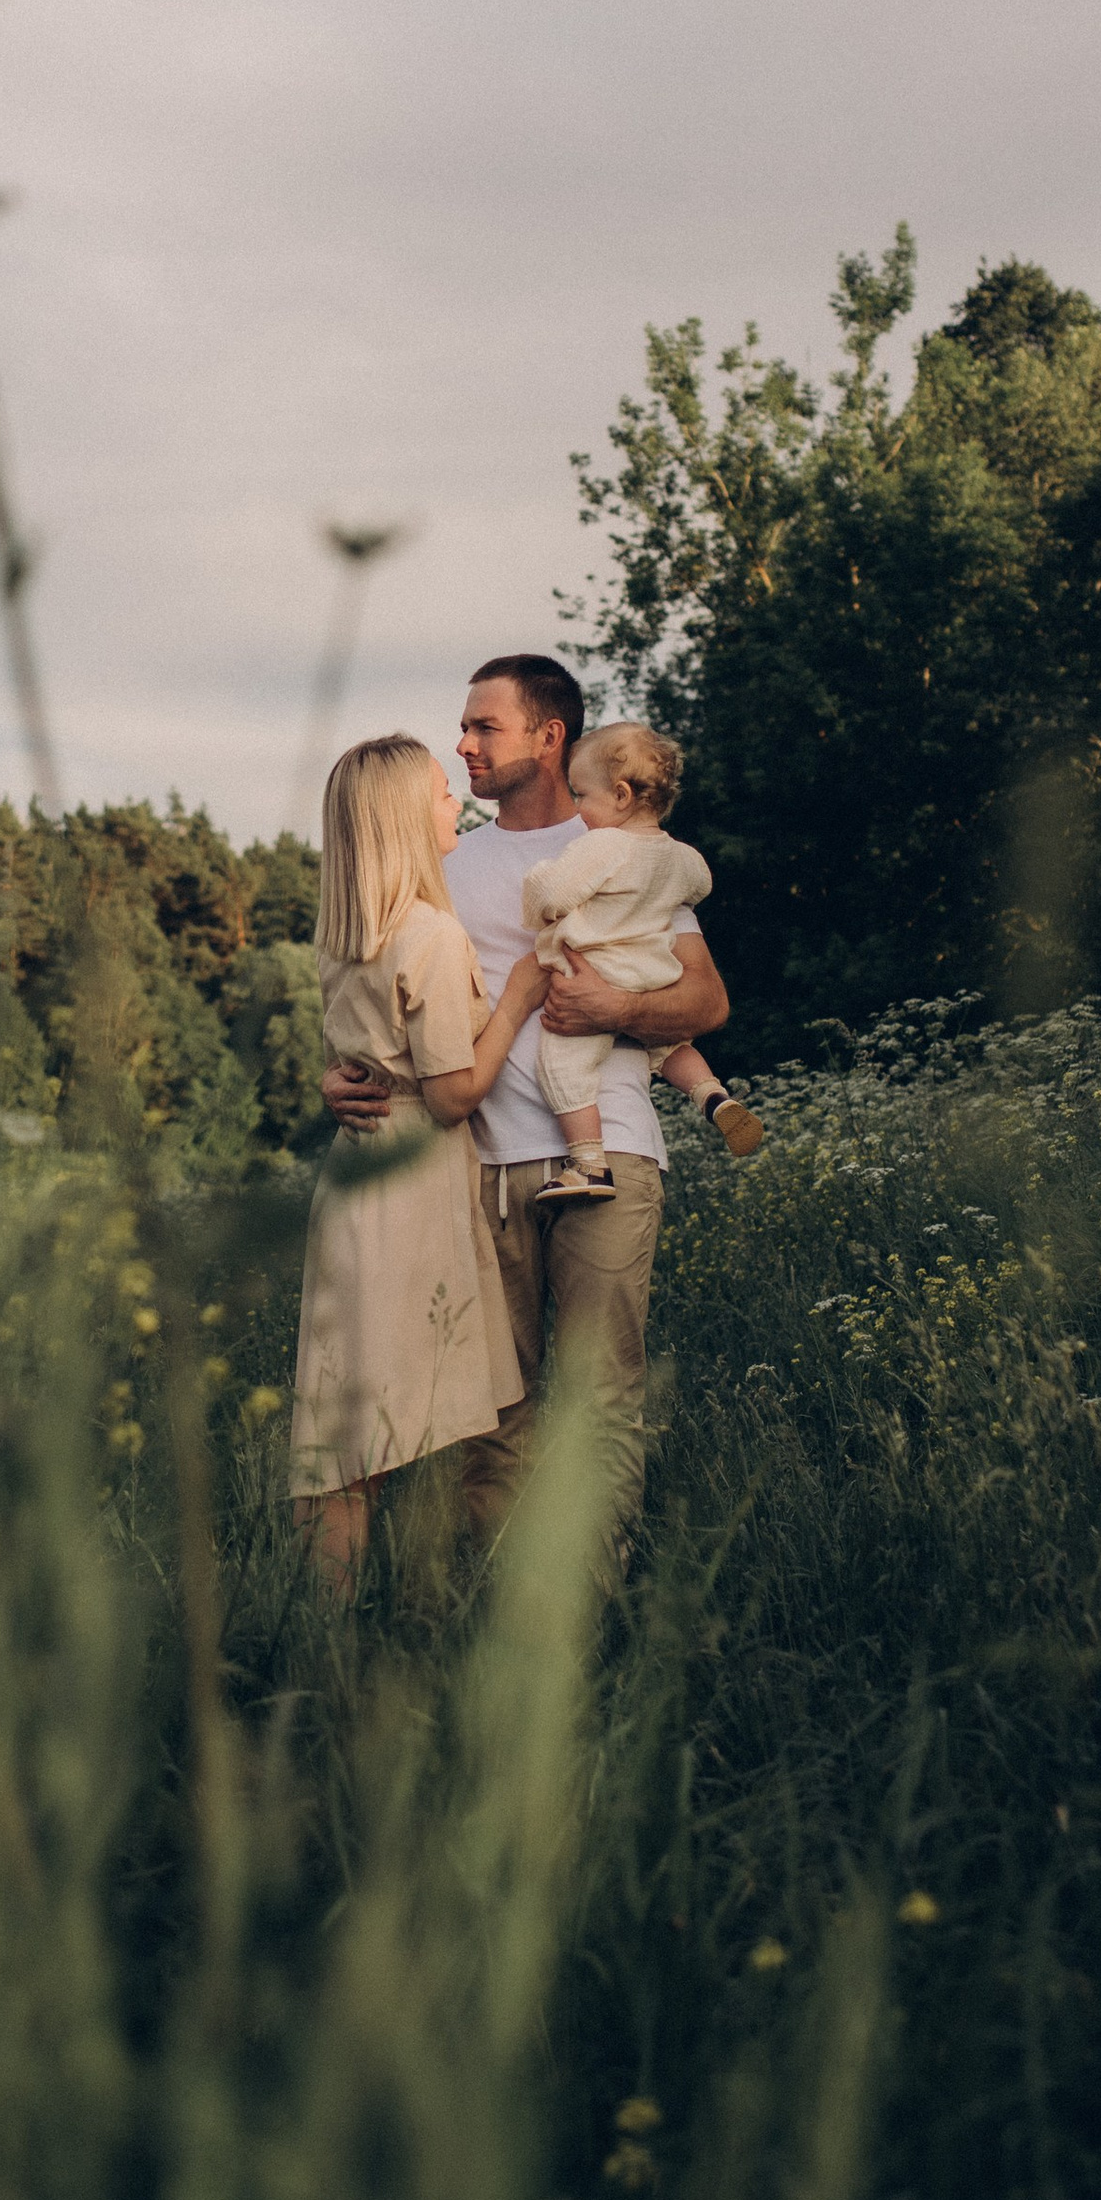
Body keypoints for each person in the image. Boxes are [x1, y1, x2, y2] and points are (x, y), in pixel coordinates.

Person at [323, 653, 734, 1556]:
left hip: (611, 1151)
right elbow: (388, 993)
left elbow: (707, 1002)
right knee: (491, 1411)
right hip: (473, 1163)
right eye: (462, 727)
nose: (462, 744)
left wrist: (617, 1008)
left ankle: (591, 1608)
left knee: (598, 1396)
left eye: (483, 727)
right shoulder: (447, 866)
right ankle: (501, 1621)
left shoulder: (625, 848)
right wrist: (349, 1075)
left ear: (550, 737)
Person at [289, 732, 548, 1590]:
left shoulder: (344, 937)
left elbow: (362, 1058)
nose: (456, 805)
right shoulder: (430, 936)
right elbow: (450, 1095)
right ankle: (445, 1607)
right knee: (392, 1420)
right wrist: (514, 1001)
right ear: (405, 817)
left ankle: (327, 1629)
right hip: (412, 1178)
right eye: (442, 794)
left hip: (357, 1176)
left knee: (345, 1424)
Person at [522, 719, 764, 1197]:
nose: (577, 808)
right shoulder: (681, 856)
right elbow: (702, 886)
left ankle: (589, 1163)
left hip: (596, 973)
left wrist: (536, 882)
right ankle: (712, 1096)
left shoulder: (604, 845)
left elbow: (552, 894)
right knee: (668, 1046)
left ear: (621, 795)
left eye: (582, 795)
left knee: (560, 1065)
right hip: (652, 974)